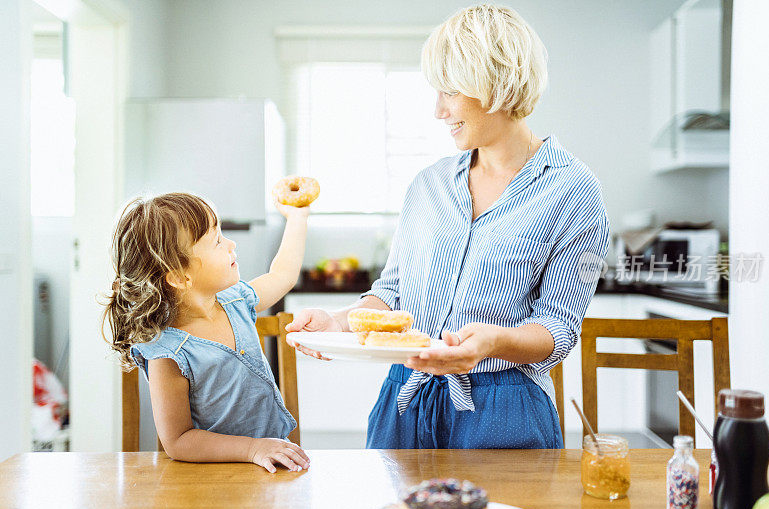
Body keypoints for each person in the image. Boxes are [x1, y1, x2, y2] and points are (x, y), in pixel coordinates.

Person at [287, 4, 610, 450]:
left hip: (505, 410)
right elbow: (394, 292)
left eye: (451, 91)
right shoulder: (429, 185)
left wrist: (493, 341)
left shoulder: (574, 190)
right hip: (405, 400)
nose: (439, 110)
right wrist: (338, 322)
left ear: (497, 84)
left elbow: (558, 328)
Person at [103, 192, 310, 472]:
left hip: (270, 465)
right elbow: (178, 441)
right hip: (210, 477)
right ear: (179, 276)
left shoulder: (236, 300)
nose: (231, 244)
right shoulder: (169, 352)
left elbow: (283, 275)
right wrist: (252, 448)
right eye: (217, 241)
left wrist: (298, 217)